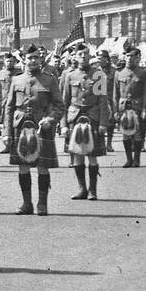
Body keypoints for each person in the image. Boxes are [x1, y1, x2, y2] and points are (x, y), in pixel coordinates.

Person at [4, 43, 64, 215]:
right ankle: (26, 203)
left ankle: (42, 204)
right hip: (20, 127)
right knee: (23, 166)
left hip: (41, 129)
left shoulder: (49, 79)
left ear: (41, 59)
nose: (33, 61)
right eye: (30, 58)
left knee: (42, 166)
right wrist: (6, 133)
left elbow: (60, 105)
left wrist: (51, 119)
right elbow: (9, 108)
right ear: (23, 59)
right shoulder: (16, 80)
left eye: (36, 57)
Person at [57, 40, 110, 201]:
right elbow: (64, 102)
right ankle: (82, 188)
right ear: (75, 57)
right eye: (80, 54)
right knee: (78, 155)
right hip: (74, 118)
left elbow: (102, 101)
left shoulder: (98, 75)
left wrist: (102, 123)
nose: (83, 57)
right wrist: (63, 125)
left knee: (92, 155)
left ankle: (93, 190)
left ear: (90, 56)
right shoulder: (70, 75)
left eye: (86, 54)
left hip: (92, 118)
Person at [113, 41, 146, 167]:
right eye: (127, 56)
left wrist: (145, 109)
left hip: (137, 106)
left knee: (137, 134)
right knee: (125, 135)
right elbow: (115, 94)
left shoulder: (143, 73)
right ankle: (128, 159)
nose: (129, 58)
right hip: (124, 107)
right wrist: (116, 111)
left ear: (137, 58)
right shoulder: (119, 73)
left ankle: (137, 159)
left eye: (132, 56)